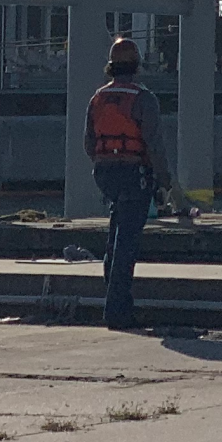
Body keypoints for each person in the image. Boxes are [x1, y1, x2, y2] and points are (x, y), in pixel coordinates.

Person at [84, 35, 178, 329]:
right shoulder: (143, 98)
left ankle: (115, 303)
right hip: (134, 172)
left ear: (110, 66)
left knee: (116, 235)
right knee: (127, 242)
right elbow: (154, 144)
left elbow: (88, 143)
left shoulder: (97, 98)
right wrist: (165, 180)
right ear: (136, 65)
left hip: (105, 173)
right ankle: (118, 312)